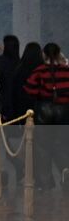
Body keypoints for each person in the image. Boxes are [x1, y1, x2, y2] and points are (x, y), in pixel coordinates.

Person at [23, 42, 69, 188]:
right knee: (62, 144)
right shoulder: (66, 71)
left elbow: (29, 90)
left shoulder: (40, 71)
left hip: (44, 110)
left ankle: (46, 182)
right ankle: (65, 172)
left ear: (43, 54)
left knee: (43, 147)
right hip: (64, 111)